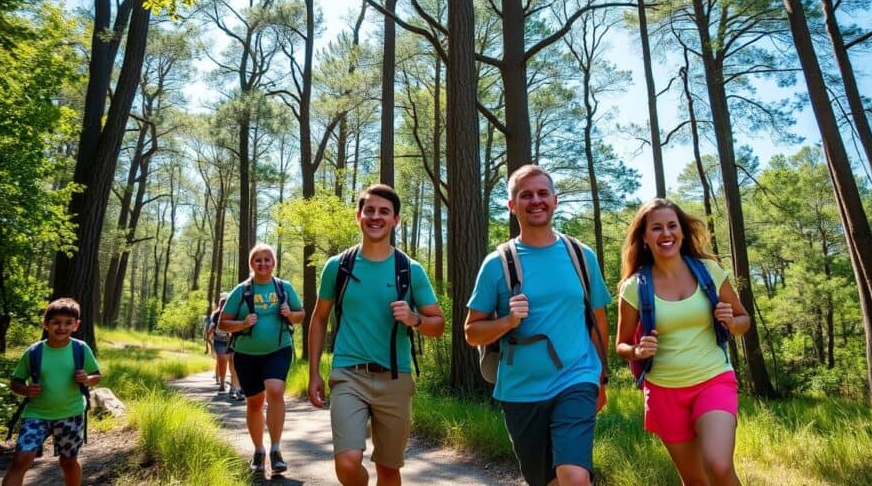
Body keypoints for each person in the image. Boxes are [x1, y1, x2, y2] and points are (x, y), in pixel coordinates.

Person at [465, 165, 611, 486]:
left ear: (555, 201)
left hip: (577, 377)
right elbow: (472, 331)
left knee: (573, 476)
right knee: (547, 481)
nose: (536, 200)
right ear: (512, 205)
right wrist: (507, 321)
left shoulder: (581, 256)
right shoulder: (497, 263)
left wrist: (601, 377)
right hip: (521, 391)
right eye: (525, 195)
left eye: (543, 193)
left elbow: (598, 321)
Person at [308, 183, 445, 486]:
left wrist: (414, 318)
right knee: (347, 462)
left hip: (395, 378)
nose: (375, 217)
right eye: (369, 210)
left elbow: (438, 324)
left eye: (384, 212)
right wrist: (314, 372)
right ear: (358, 216)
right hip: (348, 375)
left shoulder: (410, 270)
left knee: (388, 470)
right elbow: (319, 319)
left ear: (395, 220)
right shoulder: (338, 266)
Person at [615, 198, 751, 486]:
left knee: (719, 465)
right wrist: (638, 350)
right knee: (694, 480)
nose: (666, 234)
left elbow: (744, 321)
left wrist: (731, 321)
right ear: (645, 237)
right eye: (656, 228)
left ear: (683, 232)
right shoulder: (634, 288)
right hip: (664, 391)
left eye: (672, 226)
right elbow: (621, 346)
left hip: (712, 379)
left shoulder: (709, 272)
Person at [218, 243, 305, 476]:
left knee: (275, 391)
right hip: (247, 355)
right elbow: (222, 323)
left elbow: (301, 316)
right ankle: (259, 451)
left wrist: (290, 314)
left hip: (279, 349)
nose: (263, 263)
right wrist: (243, 323)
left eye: (268, 259)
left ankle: (276, 450)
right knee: (254, 403)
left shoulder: (284, 288)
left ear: (274, 262)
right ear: (251, 263)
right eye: (258, 259)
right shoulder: (241, 290)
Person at [3, 298, 102, 486]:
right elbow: (15, 382)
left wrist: (87, 380)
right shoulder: (34, 352)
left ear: (76, 325)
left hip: (71, 414)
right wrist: (25, 390)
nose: (61, 327)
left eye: (68, 323)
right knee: (21, 459)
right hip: (36, 414)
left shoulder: (80, 349)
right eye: (56, 322)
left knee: (68, 461)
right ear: (46, 324)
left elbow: (97, 376)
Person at [206, 297, 242, 399]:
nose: (224, 306)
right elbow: (212, 328)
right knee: (222, 362)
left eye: (225, 304)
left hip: (231, 341)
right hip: (220, 341)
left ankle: (233, 387)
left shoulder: (234, 314)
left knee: (233, 364)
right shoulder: (216, 315)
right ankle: (222, 384)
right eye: (222, 304)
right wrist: (209, 342)